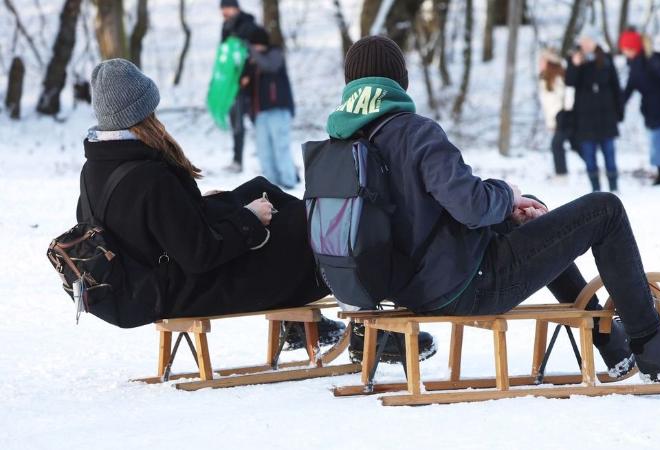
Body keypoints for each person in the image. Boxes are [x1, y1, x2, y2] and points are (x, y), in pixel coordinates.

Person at [327, 36, 660, 381]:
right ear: (401, 80)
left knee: (527, 217)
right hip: (466, 287)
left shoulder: (343, 145)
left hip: (411, 288)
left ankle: (611, 343)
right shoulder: (415, 133)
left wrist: (509, 209)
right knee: (605, 210)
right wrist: (506, 191)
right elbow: (470, 205)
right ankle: (652, 343)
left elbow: (418, 214)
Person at [80, 59, 439, 360]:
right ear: (141, 114)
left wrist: (208, 206)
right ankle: (369, 332)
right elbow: (199, 255)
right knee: (309, 229)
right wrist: (248, 220)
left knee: (261, 188)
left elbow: (149, 229)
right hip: (186, 289)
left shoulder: (97, 167)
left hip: (156, 280)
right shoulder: (150, 177)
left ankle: (301, 324)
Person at [619, 29, 660, 186]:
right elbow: (630, 87)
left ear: (632, 48)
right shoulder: (635, 65)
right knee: (657, 143)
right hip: (649, 110)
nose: (623, 51)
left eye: (625, 48)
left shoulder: (652, 61)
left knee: (657, 143)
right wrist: (618, 104)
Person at [242, 27, 299, 189]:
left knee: (281, 147)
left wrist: (252, 52)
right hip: (260, 113)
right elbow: (246, 85)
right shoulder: (252, 60)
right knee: (264, 151)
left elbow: (270, 66)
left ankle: (288, 182)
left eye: (254, 45)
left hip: (278, 109)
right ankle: (272, 186)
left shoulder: (275, 53)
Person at [565, 34, 623, 192]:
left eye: (588, 41)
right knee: (589, 156)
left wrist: (619, 111)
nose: (585, 44)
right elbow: (569, 82)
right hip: (584, 117)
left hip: (606, 115)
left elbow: (615, 86)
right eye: (583, 41)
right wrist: (575, 65)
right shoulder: (574, 59)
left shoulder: (605, 58)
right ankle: (595, 190)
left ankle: (614, 187)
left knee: (609, 154)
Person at [220, 0, 256, 174]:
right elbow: (224, 54)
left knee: (252, 121)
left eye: (225, 8)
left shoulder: (248, 25)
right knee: (236, 121)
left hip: (246, 84)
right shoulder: (226, 26)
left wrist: (246, 75)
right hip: (229, 84)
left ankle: (269, 157)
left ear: (234, 8)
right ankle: (237, 160)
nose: (223, 12)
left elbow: (251, 53)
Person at [538, 49, 572, 178]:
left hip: (563, 117)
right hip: (555, 118)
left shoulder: (558, 78)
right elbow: (548, 105)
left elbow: (566, 97)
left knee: (557, 145)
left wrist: (564, 114)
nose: (540, 64)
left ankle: (561, 175)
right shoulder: (544, 79)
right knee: (572, 144)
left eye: (542, 61)